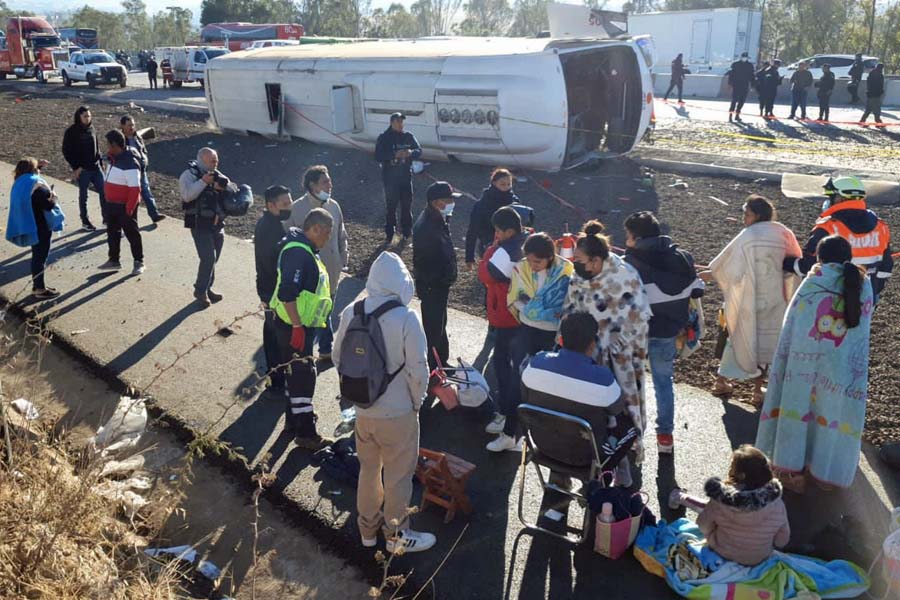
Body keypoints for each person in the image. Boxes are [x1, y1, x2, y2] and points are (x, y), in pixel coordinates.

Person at [332, 251, 436, 554]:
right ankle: (396, 535)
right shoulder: (406, 318)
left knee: (368, 470)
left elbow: (339, 358)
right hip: (398, 412)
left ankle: (367, 530)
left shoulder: (352, 310)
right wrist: (416, 402)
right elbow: (419, 369)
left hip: (364, 411)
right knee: (398, 476)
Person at [757, 235, 873, 492]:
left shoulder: (815, 281)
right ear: (848, 257)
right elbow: (861, 330)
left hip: (804, 366)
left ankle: (795, 474)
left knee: (798, 413)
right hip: (841, 371)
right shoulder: (863, 285)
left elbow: (793, 325)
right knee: (831, 415)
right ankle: (826, 472)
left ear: (820, 257)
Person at [562, 221, 651, 463]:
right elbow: (570, 308)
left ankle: (626, 452)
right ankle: (592, 449)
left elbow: (640, 316)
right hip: (586, 353)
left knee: (622, 407)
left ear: (596, 260)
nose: (575, 263)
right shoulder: (578, 277)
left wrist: (614, 345)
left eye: (579, 259)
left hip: (621, 358)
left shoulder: (625, 276)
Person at [700, 196, 801, 406]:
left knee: (736, 339)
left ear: (757, 215)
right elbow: (794, 263)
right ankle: (758, 392)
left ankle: (721, 381)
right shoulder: (784, 233)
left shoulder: (748, 235)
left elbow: (729, 268)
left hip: (748, 297)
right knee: (766, 344)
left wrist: (705, 274)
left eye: (746, 214)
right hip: (774, 298)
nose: (743, 218)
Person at [623, 211, 704, 454]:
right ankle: (665, 436)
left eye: (627, 235)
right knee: (663, 382)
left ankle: (633, 437)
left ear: (636, 237)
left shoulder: (628, 263)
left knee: (633, 385)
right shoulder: (683, 257)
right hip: (669, 331)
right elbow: (697, 288)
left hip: (637, 333)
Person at [520, 312, 634, 483]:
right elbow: (617, 409)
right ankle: (603, 480)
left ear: (561, 340)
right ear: (592, 344)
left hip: (543, 446)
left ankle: (559, 482)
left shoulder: (535, 364)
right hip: (586, 457)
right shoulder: (602, 379)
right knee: (630, 428)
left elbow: (524, 395)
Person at [492, 232, 573, 451]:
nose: (533, 265)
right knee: (517, 380)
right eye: (529, 259)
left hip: (551, 335)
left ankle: (535, 440)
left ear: (550, 257)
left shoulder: (566, 271)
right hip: (527, 329)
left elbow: (568, 303)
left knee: (544, 386)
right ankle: (510, 433)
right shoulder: (521, 268)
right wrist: (533, 310)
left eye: (537, 261)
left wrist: (533, 307)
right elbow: (515, 297)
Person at [270, 208, 335, 449]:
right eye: (327, 232)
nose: (328, 238)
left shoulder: (304, 248)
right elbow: (288, 291)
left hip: (296, 325)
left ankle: (293, 422)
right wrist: (297, 326)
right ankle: (306, 433)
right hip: (293, 326)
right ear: (315, 228)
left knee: (294, 374)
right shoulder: (298, 252)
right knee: (304, 377)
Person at [784, 176, 892, 303]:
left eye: (831, 197)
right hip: (866, 298)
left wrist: (787, 263)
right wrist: (873, 292)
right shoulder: (881, 227)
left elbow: (807, 265)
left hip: (830, 301)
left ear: (840, 198)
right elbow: (886, 267)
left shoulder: (828, 227)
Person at [284, 165, 349, 361]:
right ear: (312, 185)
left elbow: (341, 235)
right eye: (325, 181)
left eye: (329, 180)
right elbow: (287, 239)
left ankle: (324, 348)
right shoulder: (297, 208)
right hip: (309, 275)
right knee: (316, 311)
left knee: (326, 308)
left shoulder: (334, 206)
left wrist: (343, 258)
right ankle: (313, 351)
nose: (330, 185)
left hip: (332, 270)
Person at [477, 207, 527, 447]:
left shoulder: (504, 251)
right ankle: (511, 416)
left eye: (498, 230)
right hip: (519, 316)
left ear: (509, 231)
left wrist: (490, 251)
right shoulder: (525, 243)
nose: (496, 234)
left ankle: (508, 418)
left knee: (504, 368)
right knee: (512, 366)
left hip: (506, 316)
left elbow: (485, 273)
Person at [696, 445, 790, 566]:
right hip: (759, 558)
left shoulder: (721, 500)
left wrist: (711, 535)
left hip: (722, 552)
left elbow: (703, 526)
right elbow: (782, 540)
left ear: (739, 474)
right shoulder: (776, 503)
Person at [412, 181, 459, 372]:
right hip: (433, 287)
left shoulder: (438, 218)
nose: (451, 203)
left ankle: (441, 362)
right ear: (436, 202)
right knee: (433, 329)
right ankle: (433, 368)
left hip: (438, 286)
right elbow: (425, 262)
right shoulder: (427, 227)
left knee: (440, 325)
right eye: (448, 199)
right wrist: (441, 280)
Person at [255, 185, 294, 398]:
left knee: (272, 334)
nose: (289, 207)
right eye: (285, 204)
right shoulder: (268, 229)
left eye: (290, 202)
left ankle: (276, 378)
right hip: (272, 291)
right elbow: (272, 264)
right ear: (271, 205)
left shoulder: (274, 223)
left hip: (269, 289)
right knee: (276, 337)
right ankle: (278, 381)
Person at [179, 147, 229, 308]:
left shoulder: (217, 174)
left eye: (216, 160)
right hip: (199, 223)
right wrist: (203, 182)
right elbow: (187, 196)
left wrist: (223, 188)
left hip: (217, 223)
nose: (215, 164)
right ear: (202, 160)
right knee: (208, 258)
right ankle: (200, 290)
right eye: (212, 161)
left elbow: (233, 189)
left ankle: (207, 287)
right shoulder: (188, 175)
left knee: (214, 258)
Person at [7, 157, 60, 299]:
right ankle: (39, 289)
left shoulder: (20, 182)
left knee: (36, 255)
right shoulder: (36, 184)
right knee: (39, 257)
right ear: (32, 170)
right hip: (40, 225)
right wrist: (53, 197)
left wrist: (39, 167)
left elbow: (32, 184)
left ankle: (38, 286)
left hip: (28, 223)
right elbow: (48, 205)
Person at [98, 130, 144, 275]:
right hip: (111, 203)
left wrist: (129, 209)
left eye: (108, 144)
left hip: (125, 206)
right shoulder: (114, 157)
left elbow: (135, 188)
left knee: (132, 233)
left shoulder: (129, 162)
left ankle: (139, 262)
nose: (106, 147)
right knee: (112, 233)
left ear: (115, 145)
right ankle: (114, 260)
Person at [375, 113, 422, 246]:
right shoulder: (384, 138)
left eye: (402, 122)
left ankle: (407, 232)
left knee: (407, 206)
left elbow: (419, 150)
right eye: (398, 122)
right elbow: (378, 156)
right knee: (391, 207)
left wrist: (410, 153)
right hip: (390, 179)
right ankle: (390, 233)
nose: (401, 125)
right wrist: (393, 155)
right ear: (392, 123)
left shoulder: (408, 136)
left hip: (406, 177)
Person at [62, 105, 106, 231]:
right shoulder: (71, 132)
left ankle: (106, 219)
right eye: (85, 116)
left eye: (89, 116)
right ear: (79, 117)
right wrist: (76, 167)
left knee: (104, 193)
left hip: (96, 167)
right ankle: (85, 221)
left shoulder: (92, 128)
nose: (88, 118)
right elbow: (66, 151)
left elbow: (96, 146)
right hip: (83, 170)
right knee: (83, 196)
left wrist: (101, 161)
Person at [465, 168, 520, 268]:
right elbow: (472, 230)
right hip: (489, 243)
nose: (507, 187)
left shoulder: (514, 201)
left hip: (512, 243)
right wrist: (469, 257)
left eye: (509, 184)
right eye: (503, 184)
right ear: (494, 183)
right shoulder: (482, 204)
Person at [120, 115, 165, 224]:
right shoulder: (120, 139)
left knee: (146, 192)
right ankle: (126, 219)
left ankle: (154, 215)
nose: (132, 127)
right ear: (122, 126)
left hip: (140, 170)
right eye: (129, 125)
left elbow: (143, 151)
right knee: (129, 197)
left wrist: (144, 160)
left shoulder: (137, 137)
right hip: (128, 173)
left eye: (133, 125)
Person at [726, 52, 754, 122]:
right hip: (736, 85)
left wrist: (753, 85)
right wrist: (730, 84)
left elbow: (752, 76)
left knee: (742, 101)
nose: (744, 58)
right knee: (734, 100)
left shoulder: (750, 65)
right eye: (743, 56)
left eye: (745, 57)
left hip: (745, 85)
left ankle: (737, 115)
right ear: (741, 57)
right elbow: (731, 75)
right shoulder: (735, 64)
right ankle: (730, 115)